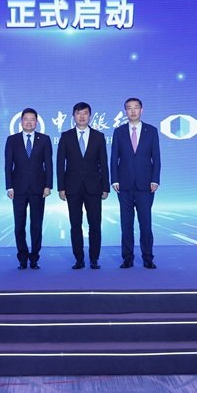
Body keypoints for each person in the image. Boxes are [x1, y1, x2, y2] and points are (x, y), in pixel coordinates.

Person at [57, 102, 109, 269]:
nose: (82, 116)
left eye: (85, 113)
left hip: (94, 187)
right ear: (73, 116)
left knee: (95, 224)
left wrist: (106, 187)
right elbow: (60, 164)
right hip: (72, 188)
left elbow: (103, 163)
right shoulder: (66, 136)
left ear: (90, 116)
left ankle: (94, 258)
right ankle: (79, 259)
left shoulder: (98, 136)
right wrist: (61, 187)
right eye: (78, 113)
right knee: (75, 225)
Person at [111, 97, 161, 269]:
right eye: (129, 108)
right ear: (125, 111)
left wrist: (155, 179)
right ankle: (127, 258)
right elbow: (114, 157)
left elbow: (156, 157)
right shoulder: (119, 132)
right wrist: (114, 179)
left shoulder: (151, 131)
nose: (132, 111)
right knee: (126, 224)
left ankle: (148, 258)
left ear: (141, 110)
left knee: (145, 223)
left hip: (146, 185)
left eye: (136, 108)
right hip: (124, 184)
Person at [4, 108, 53, 270]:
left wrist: (48, 185)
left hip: (39, 189)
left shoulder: (44, 139)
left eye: (32, 119)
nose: (29, 122)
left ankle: (34, 258)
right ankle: (22, 257)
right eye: (26, 119)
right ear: (21, 121)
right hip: (18, 189)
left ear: (36, 122)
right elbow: (8, 165)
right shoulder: (12, 140)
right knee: (19, 225)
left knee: (36, 225)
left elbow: (48, 164)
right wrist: (9, 186)